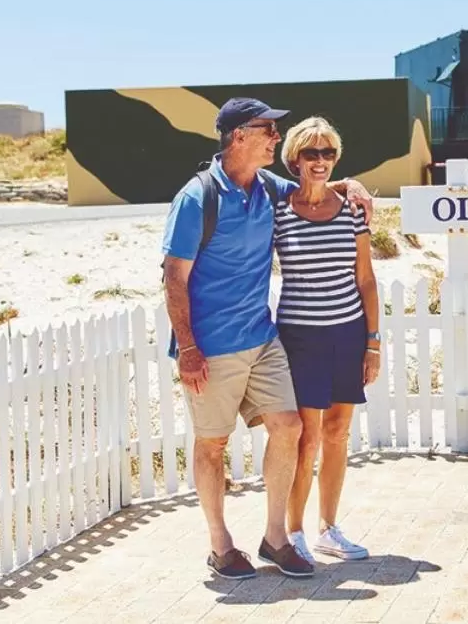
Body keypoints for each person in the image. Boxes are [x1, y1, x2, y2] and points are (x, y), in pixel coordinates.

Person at [161, 97, 373, 581]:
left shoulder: (267, 187)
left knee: (290, 428)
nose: (277, 139)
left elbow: (313, 183)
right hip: (211, 349)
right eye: (268, 131)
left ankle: (276, 538)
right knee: (212, 445)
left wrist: (349, 182)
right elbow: (174, 277)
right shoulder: (197, 198)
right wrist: (188, 348)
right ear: (239, 137)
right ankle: (220, 545)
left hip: (262, 337)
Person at [272, 116, 380, 565]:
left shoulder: (353, 209)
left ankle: (328, 529)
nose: (320, 161)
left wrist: (373, 343)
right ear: (294, 158)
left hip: (348, 333)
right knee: (306, 438)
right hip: (300, 338)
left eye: (328, 153)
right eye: (311, 153)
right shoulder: (276, 209)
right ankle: (292, 532)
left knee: (337, 433)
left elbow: (366, 279)